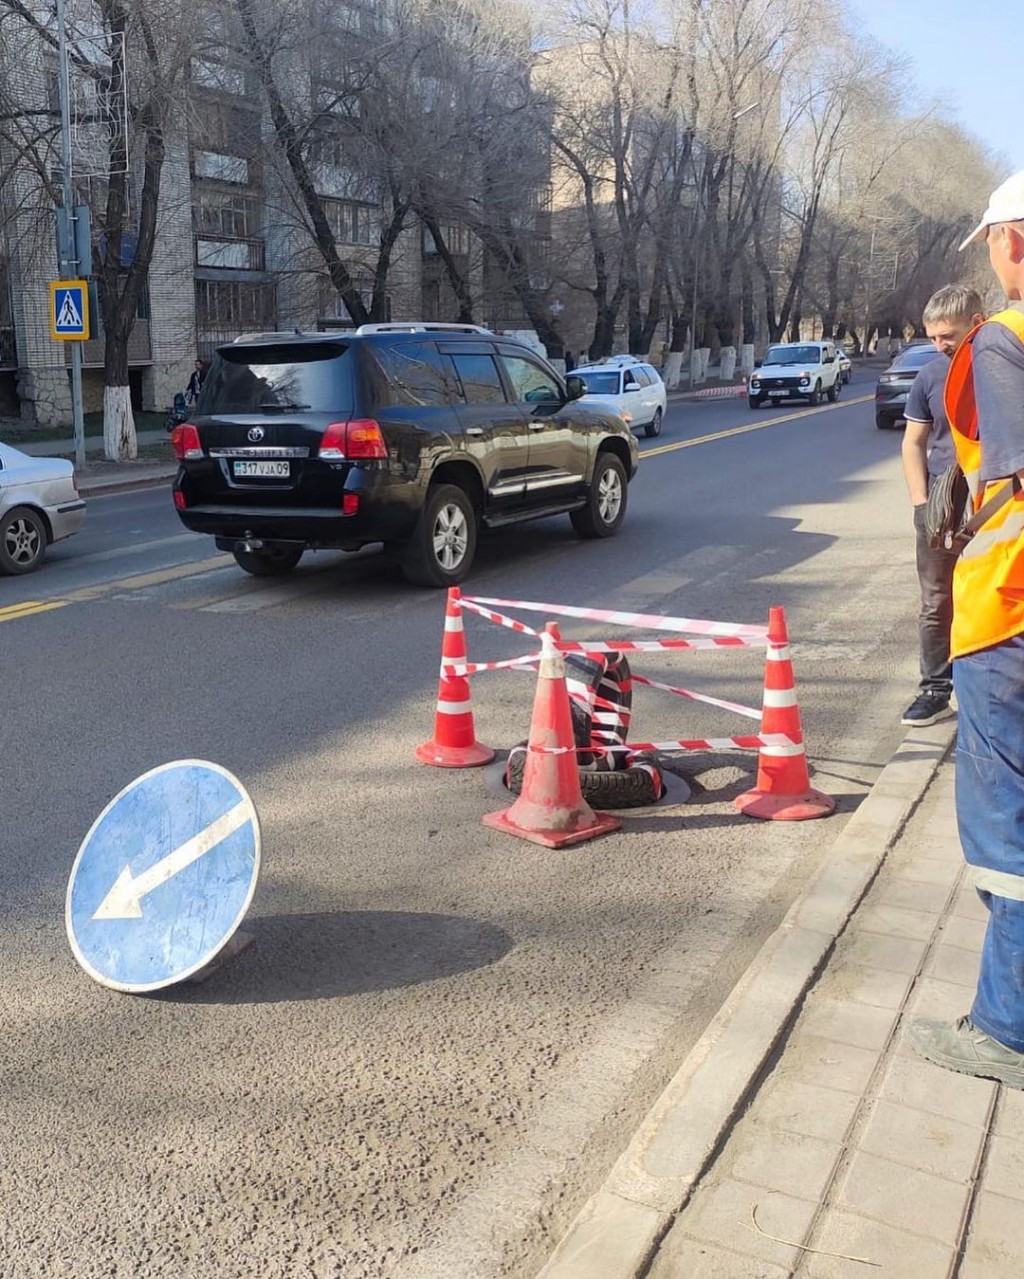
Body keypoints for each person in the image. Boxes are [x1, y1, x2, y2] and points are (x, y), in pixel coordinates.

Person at [908, 170, 1024, 1089]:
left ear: (1011, 242)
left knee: (1004, 823)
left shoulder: (1004, 343)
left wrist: (966, 541)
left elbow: (1013, 486)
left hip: (1011, 613)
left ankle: (1006, 1026)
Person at [899, 285, 985, 727]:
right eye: (933, 337)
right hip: (941, 505)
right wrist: (921, 503)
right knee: (937, 601)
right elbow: (913, 442)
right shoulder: (930, 376)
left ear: (976, 322)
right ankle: (935, 687)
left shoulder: (1005, 367)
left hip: (998, 505)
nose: (940, 345)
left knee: (994, 596)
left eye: (947, 335)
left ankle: (988, 688)